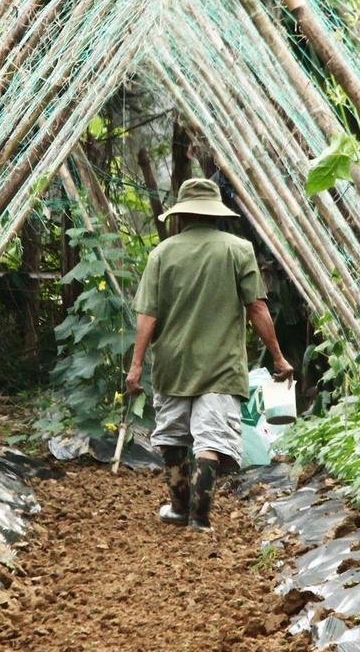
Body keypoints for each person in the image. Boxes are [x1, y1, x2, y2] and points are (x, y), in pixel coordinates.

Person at [124, 177, 295, 531]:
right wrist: (278, 357)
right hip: (221, 365)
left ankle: (178, 508)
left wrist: (136, 366)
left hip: (174, 364)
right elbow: (257, 308)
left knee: (172, 436)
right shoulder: (238, 249)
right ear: (216, 214)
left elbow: (147, 316)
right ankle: (200, 518)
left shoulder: (162, 253)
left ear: (182, 215)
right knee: (211, 439)